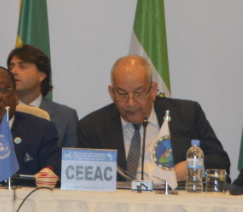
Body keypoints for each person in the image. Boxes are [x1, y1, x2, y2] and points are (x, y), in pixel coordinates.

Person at [76, 55, 230, 183]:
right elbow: (80, 179)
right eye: (122, 94)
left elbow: (220, 161)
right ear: (112, 92)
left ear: (153, 90)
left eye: (139, 93)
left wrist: (193, 167)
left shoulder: (187, 114)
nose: (131, 103)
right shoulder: (92, 127)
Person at [8, 44, 79, 148]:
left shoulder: (66, 117)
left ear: (41, 75)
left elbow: (70, 157)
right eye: (11, 67)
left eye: (22, 66)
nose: (13, 71)